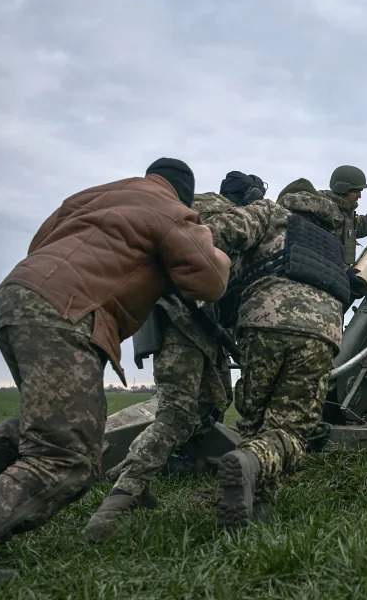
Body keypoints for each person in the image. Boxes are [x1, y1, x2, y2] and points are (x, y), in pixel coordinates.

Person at [0, 158, 232, 592]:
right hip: (67, 313)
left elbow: (42, 241)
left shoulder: (93, 196)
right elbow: (210, 279)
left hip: (17, 296)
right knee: (67, 456)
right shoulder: (171, 211)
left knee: (60, 418)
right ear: (183, 193)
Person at [81, 171, 267, 542]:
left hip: (185, 320)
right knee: (177, 412)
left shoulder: (194, 208)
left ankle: (147, 469)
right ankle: (118, 500)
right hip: (184, 319)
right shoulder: (224, 218)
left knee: (215, 400)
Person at [207, 178, 349, 526]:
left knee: (254, 422)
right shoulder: (330, 242)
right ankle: (257, 502)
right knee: (291, 430)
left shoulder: (271, 213)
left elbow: (220, 232)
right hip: (321, 333)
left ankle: (249, 461)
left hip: (262, 323)